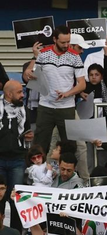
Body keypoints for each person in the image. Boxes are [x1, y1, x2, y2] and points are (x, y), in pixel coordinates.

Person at [33, 26, 86, 159]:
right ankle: (36, 174)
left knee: (69, 145)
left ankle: (70, 175)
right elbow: (35, 78)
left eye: (68, 42)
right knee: (40, 143)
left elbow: (82, 84)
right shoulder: (43, 54)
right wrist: (34, 59)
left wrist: (67, 93)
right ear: (54, 39)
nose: (66, 45)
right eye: (63, 42)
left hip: (66, 106)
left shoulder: (75, 56)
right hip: (45, 105)